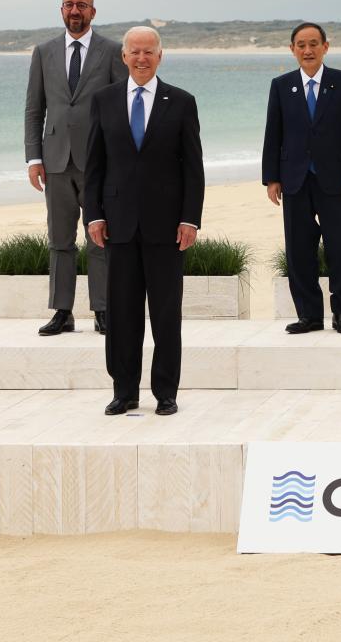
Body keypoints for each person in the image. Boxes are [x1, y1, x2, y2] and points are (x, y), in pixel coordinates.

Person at [85, 26, 204, 417]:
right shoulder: (103, 100)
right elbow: (94, 166)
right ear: (123, 57)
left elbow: (193, 169)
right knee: (122, 313)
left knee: (167, 312)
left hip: (167, 226)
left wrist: (190, 219)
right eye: (134, 51)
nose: (141, 58)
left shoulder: (182, 102)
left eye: (148, 52)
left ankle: (165, 392)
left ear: (160, 55)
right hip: (117, 224)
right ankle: (124, 391)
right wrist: (94, 215)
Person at [25, 0, 126, 336]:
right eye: (69, 5)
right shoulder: (44, 52)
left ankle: (102, 308)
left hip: (99, 162)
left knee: (99, 238)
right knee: (59, 239)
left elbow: (121, 108)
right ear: (61, 10)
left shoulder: (112, 52)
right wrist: (33, 158)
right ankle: (62, 311)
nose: (75, 11)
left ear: (93, 12)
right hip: (54, 161)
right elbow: (34, 108)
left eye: (81, 5)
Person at [261, 21, 341, 335]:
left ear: (325, 47)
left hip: (334, 180)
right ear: (293, 50)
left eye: (313, 44)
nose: (308, 50)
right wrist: (271, 178)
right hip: (293, 180)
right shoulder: (281, 85)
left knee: (340, 249)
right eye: (301, 45)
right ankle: (309, 315)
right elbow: (273, 134)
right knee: (298, 250)